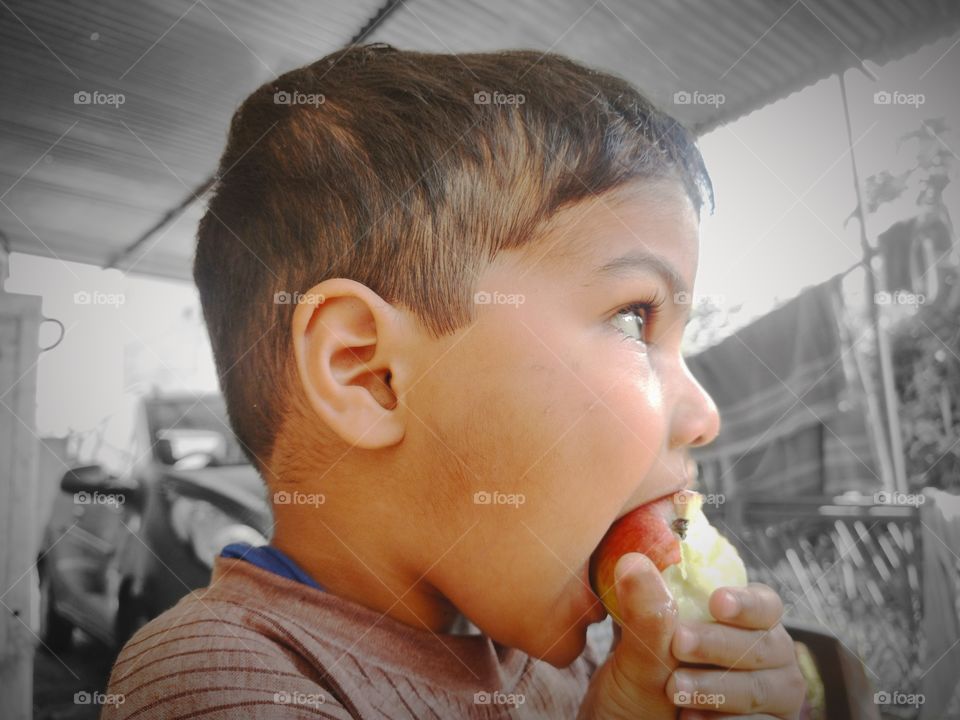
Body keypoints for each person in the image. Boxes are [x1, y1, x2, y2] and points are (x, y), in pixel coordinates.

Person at [103, 44, 806, 719]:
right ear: (369, 374)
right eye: (633, 318)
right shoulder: (217, 677)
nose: (706, 415)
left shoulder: (578, 668)